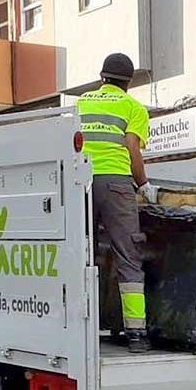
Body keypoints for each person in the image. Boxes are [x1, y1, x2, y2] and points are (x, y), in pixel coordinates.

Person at [77, 53, 152, 353]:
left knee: (83, 256)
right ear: (129, 82)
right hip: (117, 184)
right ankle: (136, 335)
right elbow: (132, 147)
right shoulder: (133, 107)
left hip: (79, 182)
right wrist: (144, 184)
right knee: (128, 255)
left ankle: (81, 330)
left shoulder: (82, 103)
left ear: (102, 77)